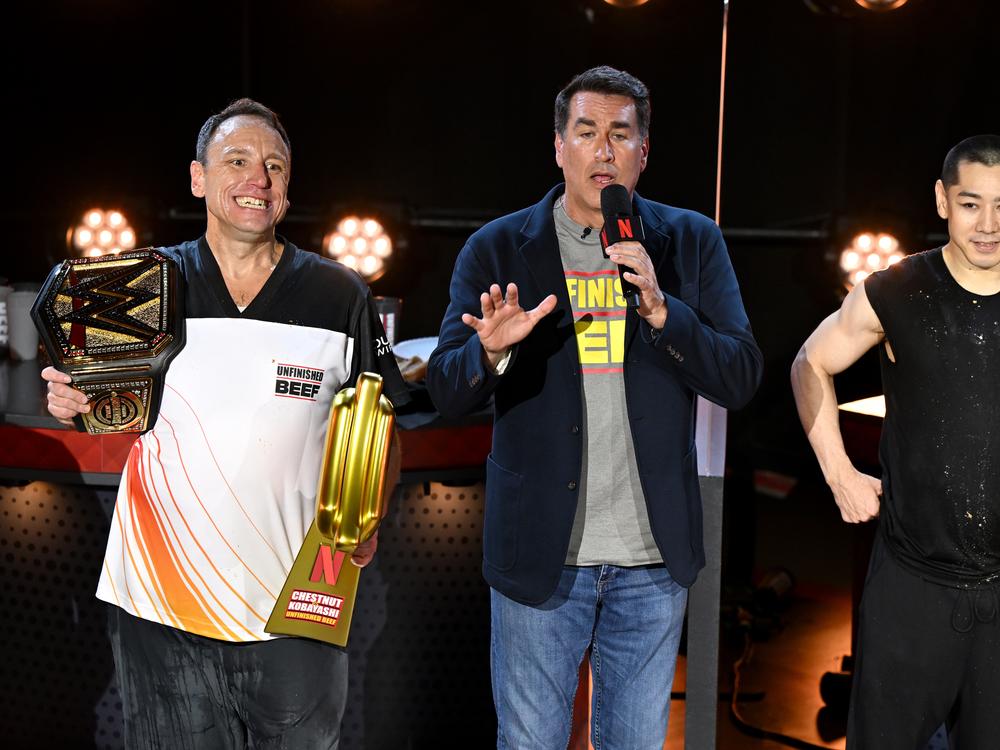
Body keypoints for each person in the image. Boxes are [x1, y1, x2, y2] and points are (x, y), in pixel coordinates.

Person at [42, 99, 408, 749]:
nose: (257, 179)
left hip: (298, 607)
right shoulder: (138, 287)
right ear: (198, 178)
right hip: (162, 606)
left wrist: (368, 512)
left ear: (289, 185)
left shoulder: (340, 294)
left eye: (274, 165)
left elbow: (381, 427)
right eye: (236, 161)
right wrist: (72, 403)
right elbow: (96, 403)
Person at [426, 65, 762, 748]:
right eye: (586, 132)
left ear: (644, 151)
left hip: (651, 560)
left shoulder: (689, 242)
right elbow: (446, 388)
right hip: (541, 556)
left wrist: (668, 315)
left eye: (620, 134)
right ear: (559, 147)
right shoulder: (498, 247)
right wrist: (490, 353)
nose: (603, 151)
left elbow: (741, 376)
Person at [791, 135, 1000, 748]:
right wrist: (838, 472)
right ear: (941, 200)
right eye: (971, 204)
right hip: (914, 587)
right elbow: (809, 362)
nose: (988, 224)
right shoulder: (898, 289)